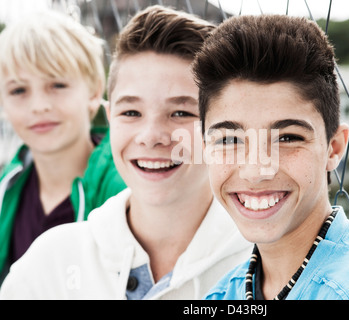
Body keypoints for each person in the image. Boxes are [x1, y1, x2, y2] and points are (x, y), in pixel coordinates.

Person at [0, 5, 251, 300]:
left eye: (181, 112)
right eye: (131, 112)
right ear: (110, 117)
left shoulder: (274, 263)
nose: (151, 137)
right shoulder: (45, 265)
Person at [193, 14, 349, 300]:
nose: (255, 170)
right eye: (229, 140)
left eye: (288, 138)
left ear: (334, 148)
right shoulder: (224, 294)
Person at [0, 10, 126, 285]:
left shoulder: (125, 189)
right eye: (18, 91)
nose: (39, 106)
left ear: (94, 93)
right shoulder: (6, 187)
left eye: (57, 85)